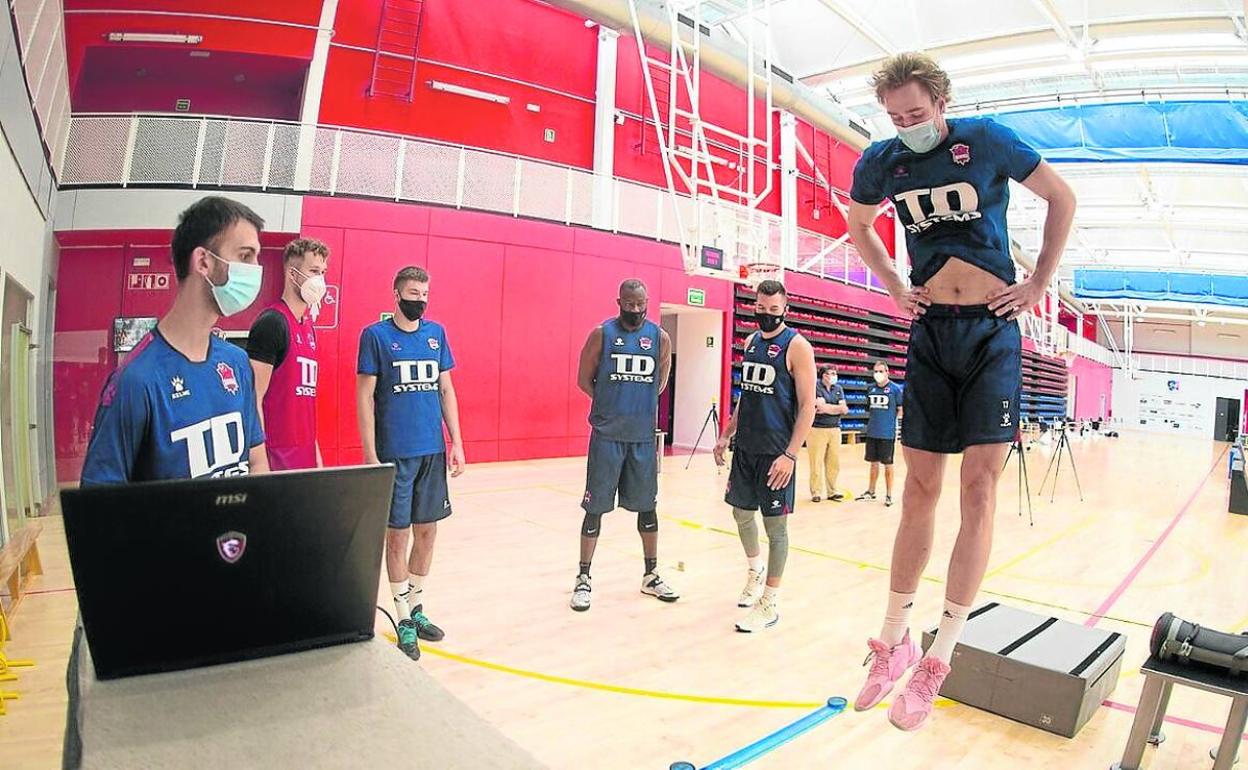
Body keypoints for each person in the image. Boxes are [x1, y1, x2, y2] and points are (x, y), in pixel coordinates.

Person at [846, 52, 1074, 731]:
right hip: (930, 331)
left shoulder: (988, 140)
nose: (907, 125)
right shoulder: (882, 161)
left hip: (991, 332)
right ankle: (893, 640)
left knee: (980, 488)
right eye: (895, 117)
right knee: (919, 489)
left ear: (942, 103)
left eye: (916, 113)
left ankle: (939, 656)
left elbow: (1061, 197)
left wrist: (1039, 284)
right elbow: (860, 224)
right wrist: (893, 284)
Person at [81, 195, 269, 485]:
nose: (256, 269)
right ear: (203, 262)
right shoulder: (136, 380)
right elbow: (98, 501)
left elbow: (256, 461)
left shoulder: (238, 363)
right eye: (245, 256)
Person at [356, 266, 466, 661]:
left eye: (424, 294)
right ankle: (402, 617)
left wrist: (457, 442)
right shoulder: (375, 336)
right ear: (396, 294)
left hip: (431, 452)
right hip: (394, 454)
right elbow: (364, 397)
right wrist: (370, 453)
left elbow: (446, 389)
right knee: (397, 536)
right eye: (413, 293)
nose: (419, 300)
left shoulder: (436, 334)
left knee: (427, 532)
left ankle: (416, 608)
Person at [713, 280, 816, 632]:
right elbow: (747, 394)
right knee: (741, 513)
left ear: (785, 310)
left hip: (776, 453)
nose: (767, 314)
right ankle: (754, 571)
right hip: (746, 447)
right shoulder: (751, 342)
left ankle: (770, 602)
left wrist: (790, 455)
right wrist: (727, 433)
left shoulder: (797, 346)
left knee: (776, 527)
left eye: (774, 310)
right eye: (761, 308)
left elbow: (808, 407)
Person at [570, 279, 678, 612]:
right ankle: (583, 578)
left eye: (640, 304)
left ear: (648, 302)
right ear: (619, 302)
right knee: (595, 508)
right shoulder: (601, 334)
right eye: (629, 304)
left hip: (642, 438)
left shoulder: (659, 338)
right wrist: (610, 404)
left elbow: (660, 382)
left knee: (648, 507)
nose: (635, 309)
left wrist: (635, 406)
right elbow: (583, 380)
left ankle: (651, 575)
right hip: (607, 436)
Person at [247, 238, 330, 470]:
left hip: (305, 459)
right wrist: (260, 463)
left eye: (323, 272)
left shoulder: (308, 327)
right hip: (276, 460)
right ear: (293, 274)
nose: (320, 280)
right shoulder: (272, 323)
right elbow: (253, 399)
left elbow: (304, 405)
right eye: (313, 271)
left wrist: (316, 455)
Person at [855, 361, 903, 507]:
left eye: (881, 371)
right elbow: (869, 409)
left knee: (888, 464)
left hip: (887, 434)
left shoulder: (895, 389)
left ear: (887, 372)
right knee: (873, 463)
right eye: (876, 371)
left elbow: (900, 409)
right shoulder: (870, 389)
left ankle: (889, 495)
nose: (878, 374)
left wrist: (892, 423)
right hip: (872, 432)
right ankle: (871, 491)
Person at [808, 365, 848, 502]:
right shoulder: (816, 386)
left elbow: (844, 409)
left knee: (834, 462)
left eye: (835, 373)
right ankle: (816, 492)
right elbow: (819, 406)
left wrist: (828, 408)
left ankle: (832, 491)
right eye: (831, 373)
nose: (833, 376)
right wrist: (836, 408)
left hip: (835, 428)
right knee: (816, 462)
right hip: (817, 429)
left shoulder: (838, 388)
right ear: (824, 375)